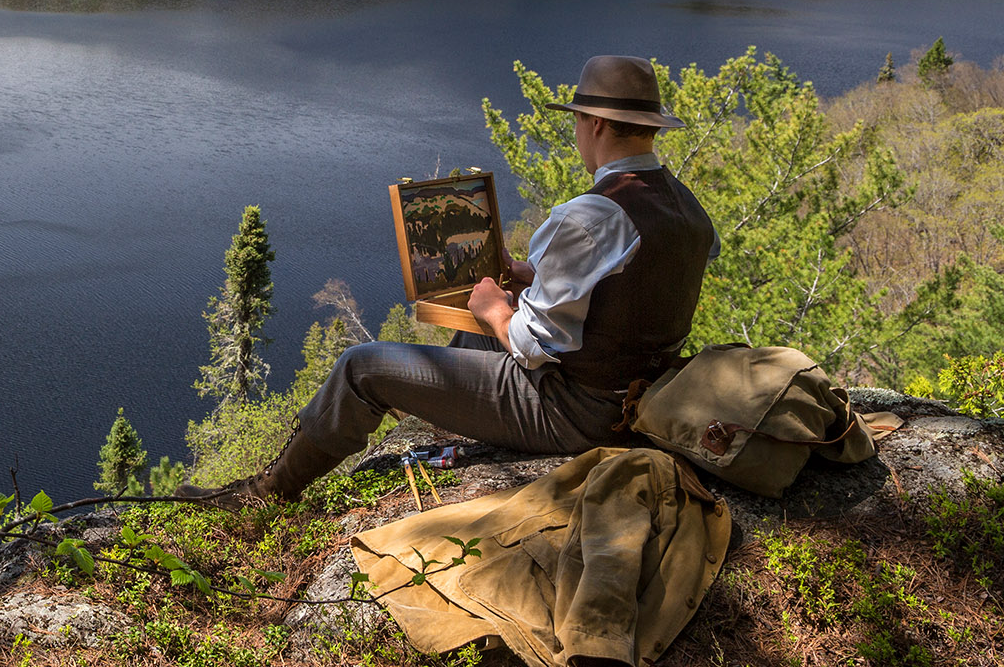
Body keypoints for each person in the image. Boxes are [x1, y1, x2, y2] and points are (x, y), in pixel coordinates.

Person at [182, 55, 718, 505]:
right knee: (468, 335)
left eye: (578, 121)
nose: (578, 132)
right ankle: (443, 423)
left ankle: (269, 493)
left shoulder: (589, 216)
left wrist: (496, 310)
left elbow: (534, 347)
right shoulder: (685, 208)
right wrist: (534, 275)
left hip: (579, 413)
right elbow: (633, 289)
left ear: (595, 125)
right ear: (649, 128)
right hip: (641, 397)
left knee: (360, 367)